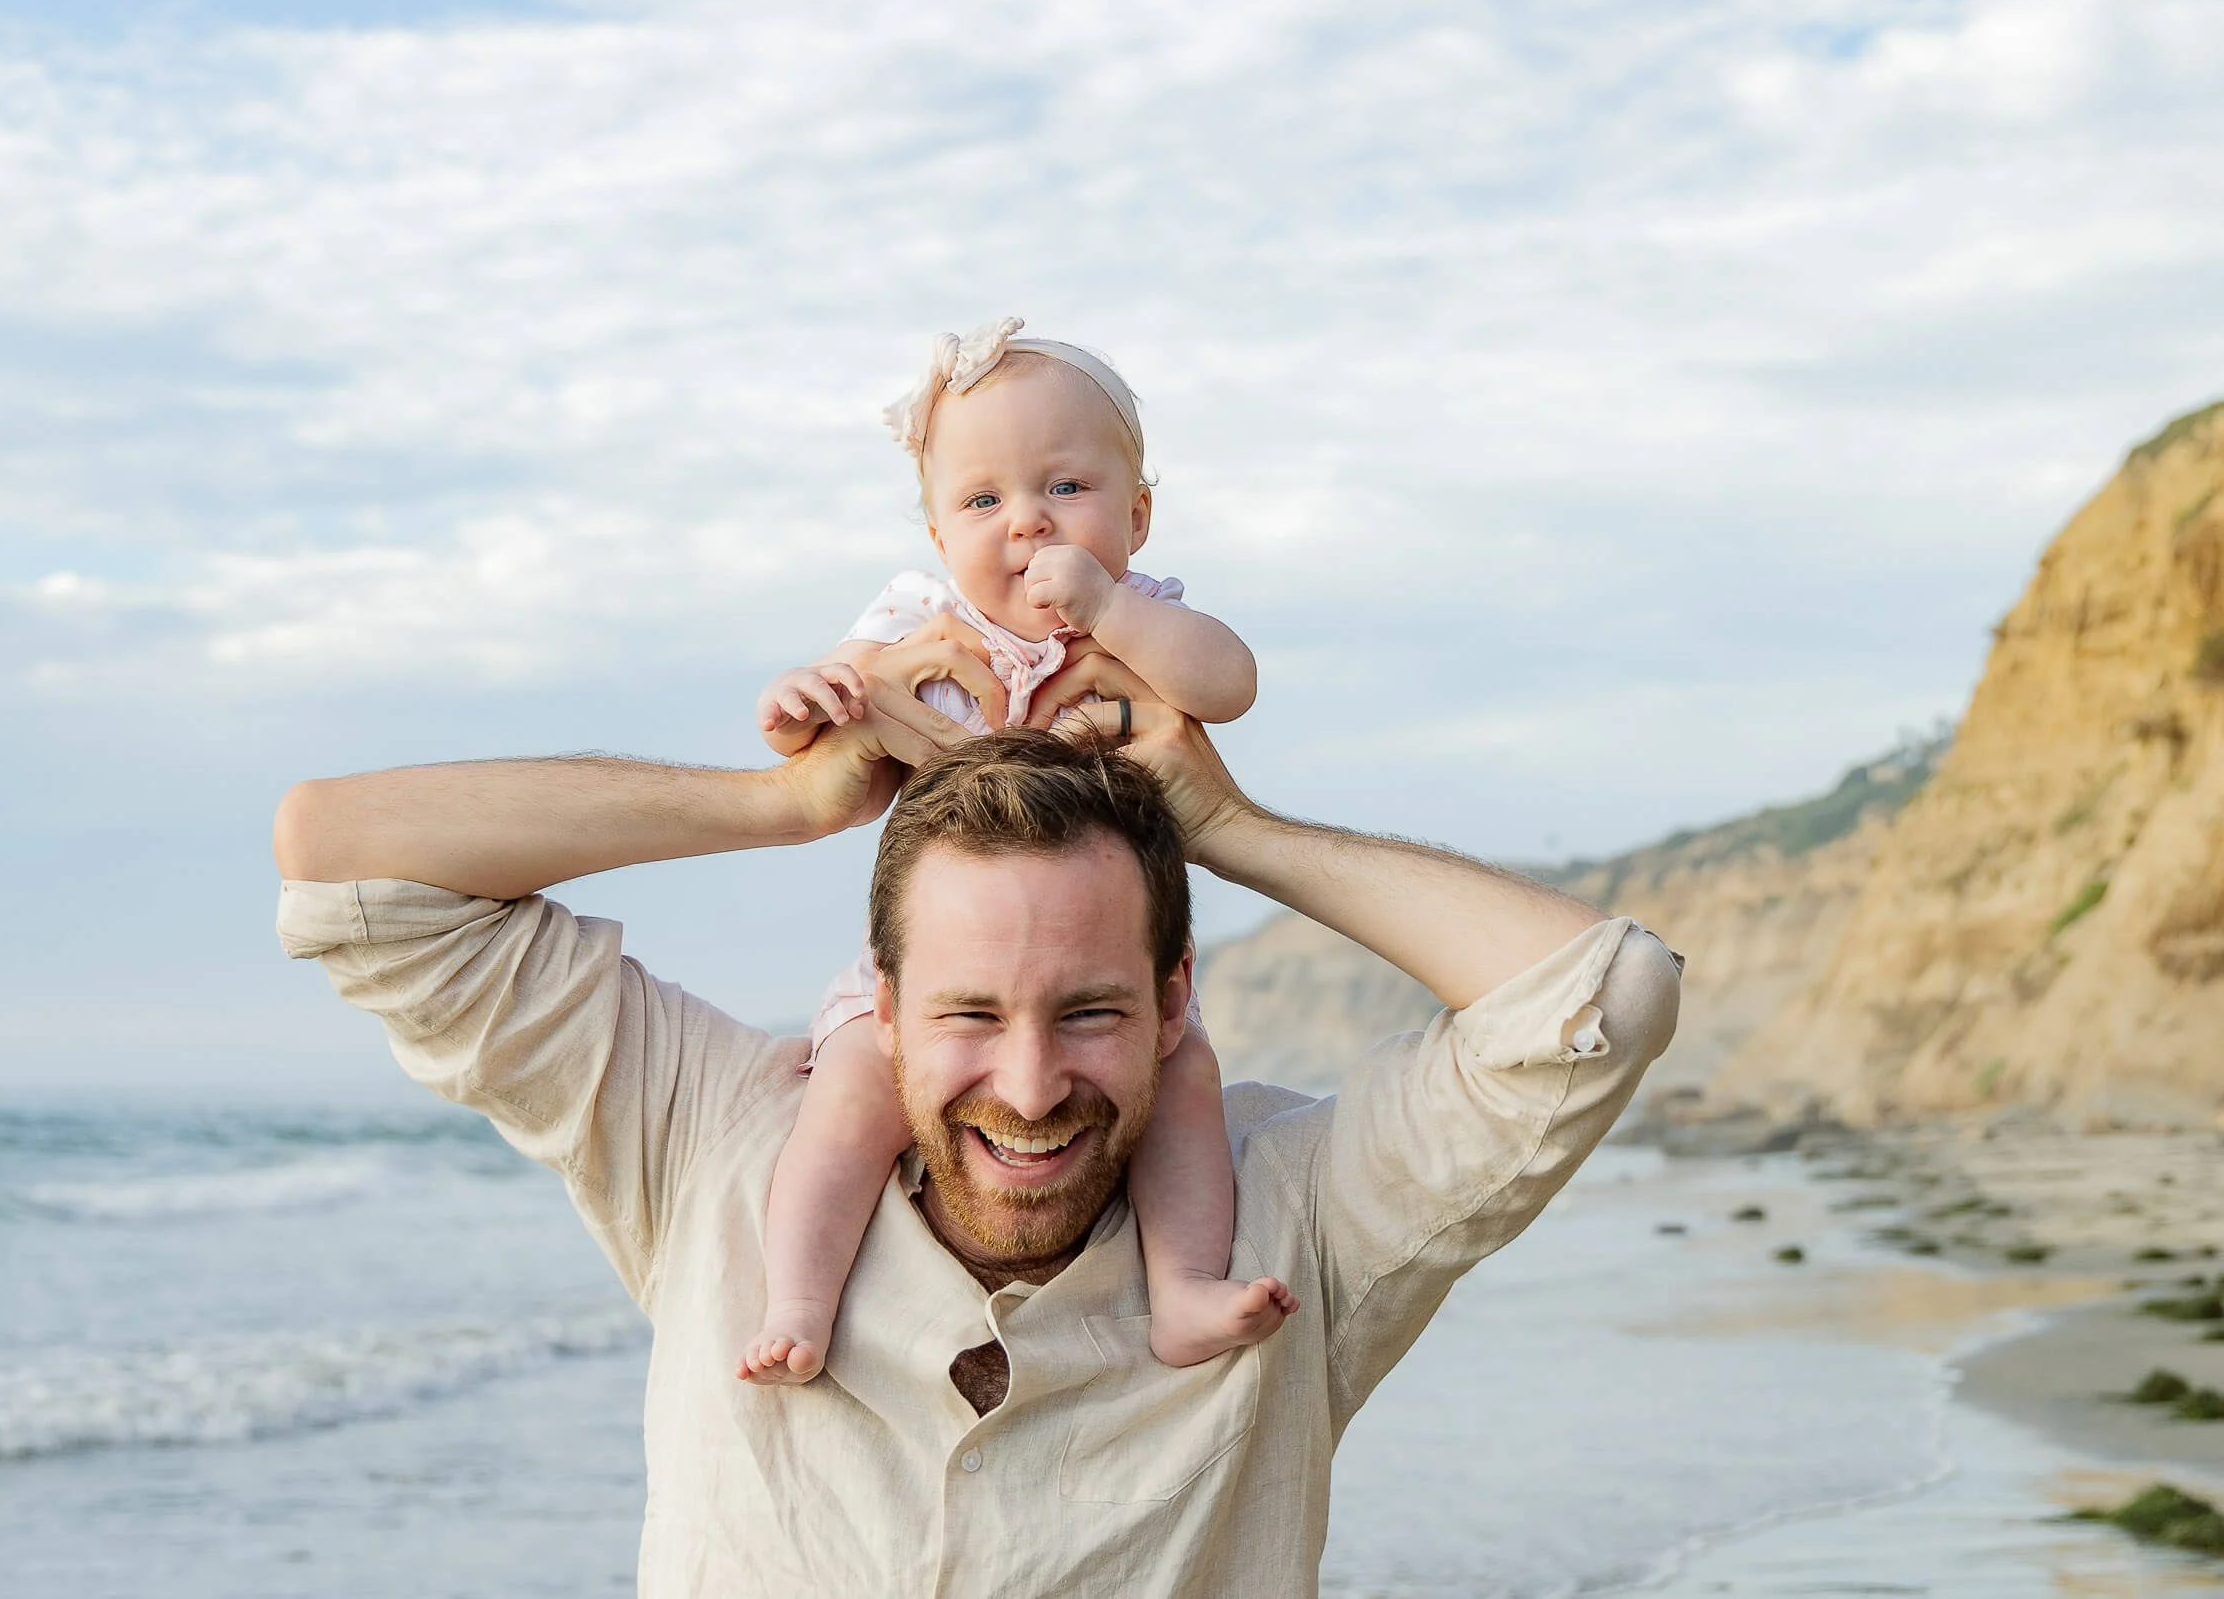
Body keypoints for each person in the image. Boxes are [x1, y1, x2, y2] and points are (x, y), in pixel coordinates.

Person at [272, 678, 1682, 1598]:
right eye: (965, 1012)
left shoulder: (1293, 1217)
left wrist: (1229, 827)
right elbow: (347, 858)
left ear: (1174, 998)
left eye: (1088, 1009)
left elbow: (1600, 994)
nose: (1026, 1083)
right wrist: (780, 802)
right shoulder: (715, 1138)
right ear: (875, 1005)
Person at [747, 317, 1278, 1385]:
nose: (1027, 521)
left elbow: (1229, 683)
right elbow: (825, 714)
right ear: (940, 536)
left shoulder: (1143, 620)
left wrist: (1112, 610)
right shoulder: (916, 615)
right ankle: (797, 1301)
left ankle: (1182, 1291)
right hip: (933, 966)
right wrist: (801, 699)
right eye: (983, 500)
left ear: (1136, 512)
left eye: (1066, 488)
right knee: (851, 1092)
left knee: (1186, 1085)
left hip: (1101, 964)